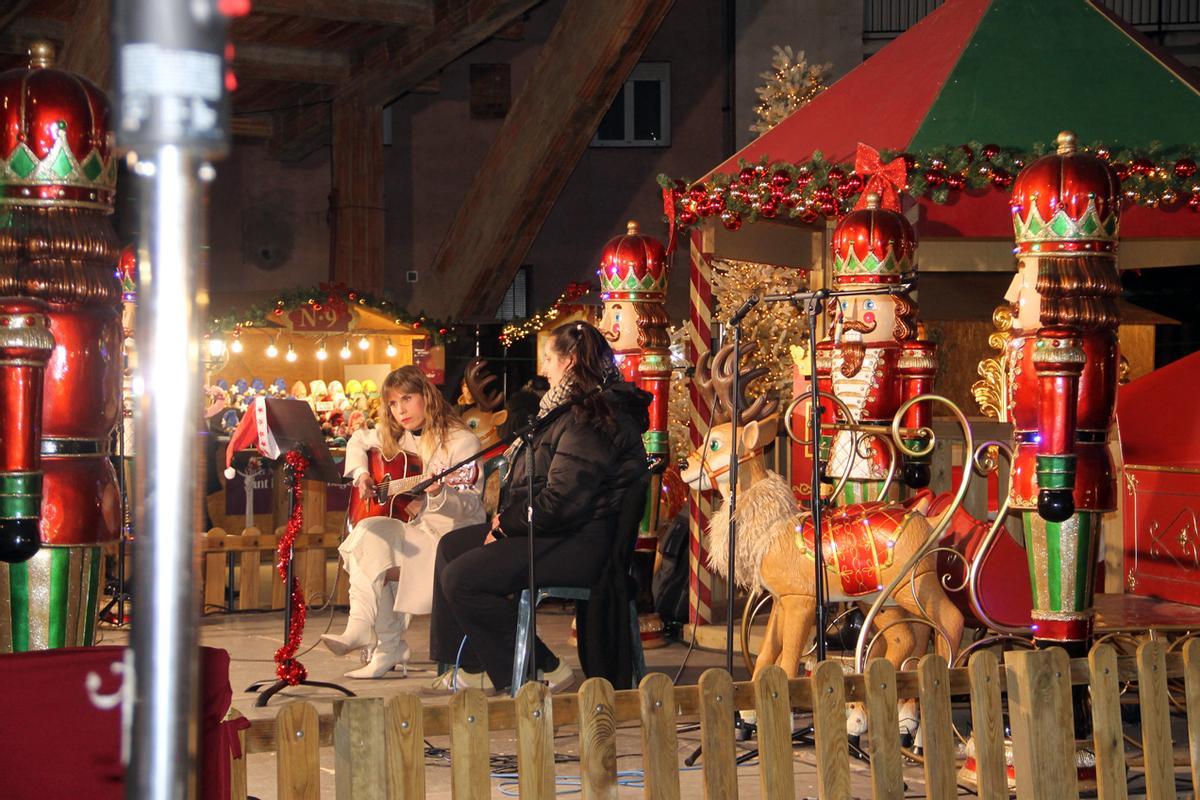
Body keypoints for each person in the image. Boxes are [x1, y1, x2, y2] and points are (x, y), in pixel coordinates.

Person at [427, 322, 650, 693]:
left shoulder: (593, 416)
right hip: (557, 530)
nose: (543, 369)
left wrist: (506, 525)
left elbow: (563, 500)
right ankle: (475, 663)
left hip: (583, 543)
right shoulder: (567, 409)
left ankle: (541, 667)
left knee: (462, 579)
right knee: (451, 548)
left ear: (572, 360)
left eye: (548, 358)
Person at [321, 365, 486, 678]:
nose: (400, 411)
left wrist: (437, 495)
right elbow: (357, 439)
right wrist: (362, 475)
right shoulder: (404, 438)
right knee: (368, 532)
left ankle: (385, 643)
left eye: (407, 399)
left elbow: (468, 506)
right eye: (393, 404)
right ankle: (367, 631)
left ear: (427, 396)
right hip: (418, 532)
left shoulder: (462, 441)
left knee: (369, 555)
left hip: (452, 538)